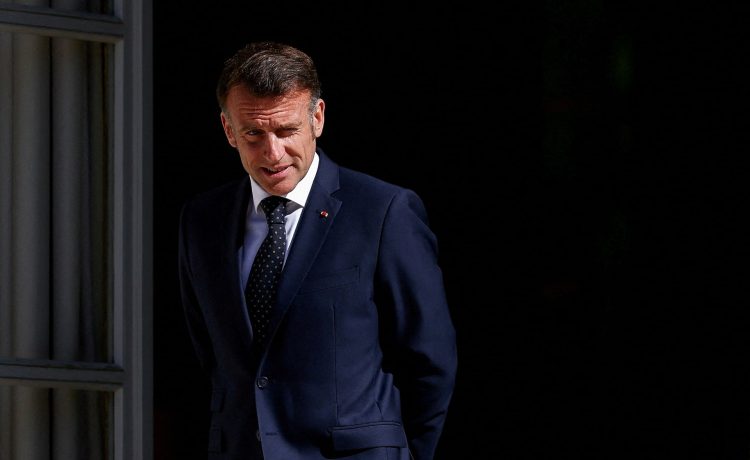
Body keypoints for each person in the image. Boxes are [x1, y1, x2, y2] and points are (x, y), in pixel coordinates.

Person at [177, 41, 457, 460]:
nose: (273, 153)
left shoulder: (382, 212)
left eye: (286, 131)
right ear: (228, 130)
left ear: (317, 118)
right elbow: (210, 359)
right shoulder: (202, 220)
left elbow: (429, 362)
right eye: (254, 133)